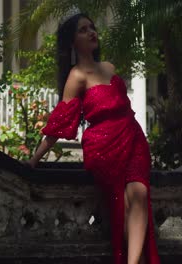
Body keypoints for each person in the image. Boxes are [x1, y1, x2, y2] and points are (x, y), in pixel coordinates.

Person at [26, 13, 160, 264]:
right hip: (104, 146)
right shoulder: (76, 76)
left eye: (92, 27)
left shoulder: (109, 67)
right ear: (72, 42)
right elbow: (61, 122)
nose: (91, 32)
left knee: (139, 193)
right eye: (83, 30)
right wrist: (35, 159)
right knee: (125, 206)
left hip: (132, 137)